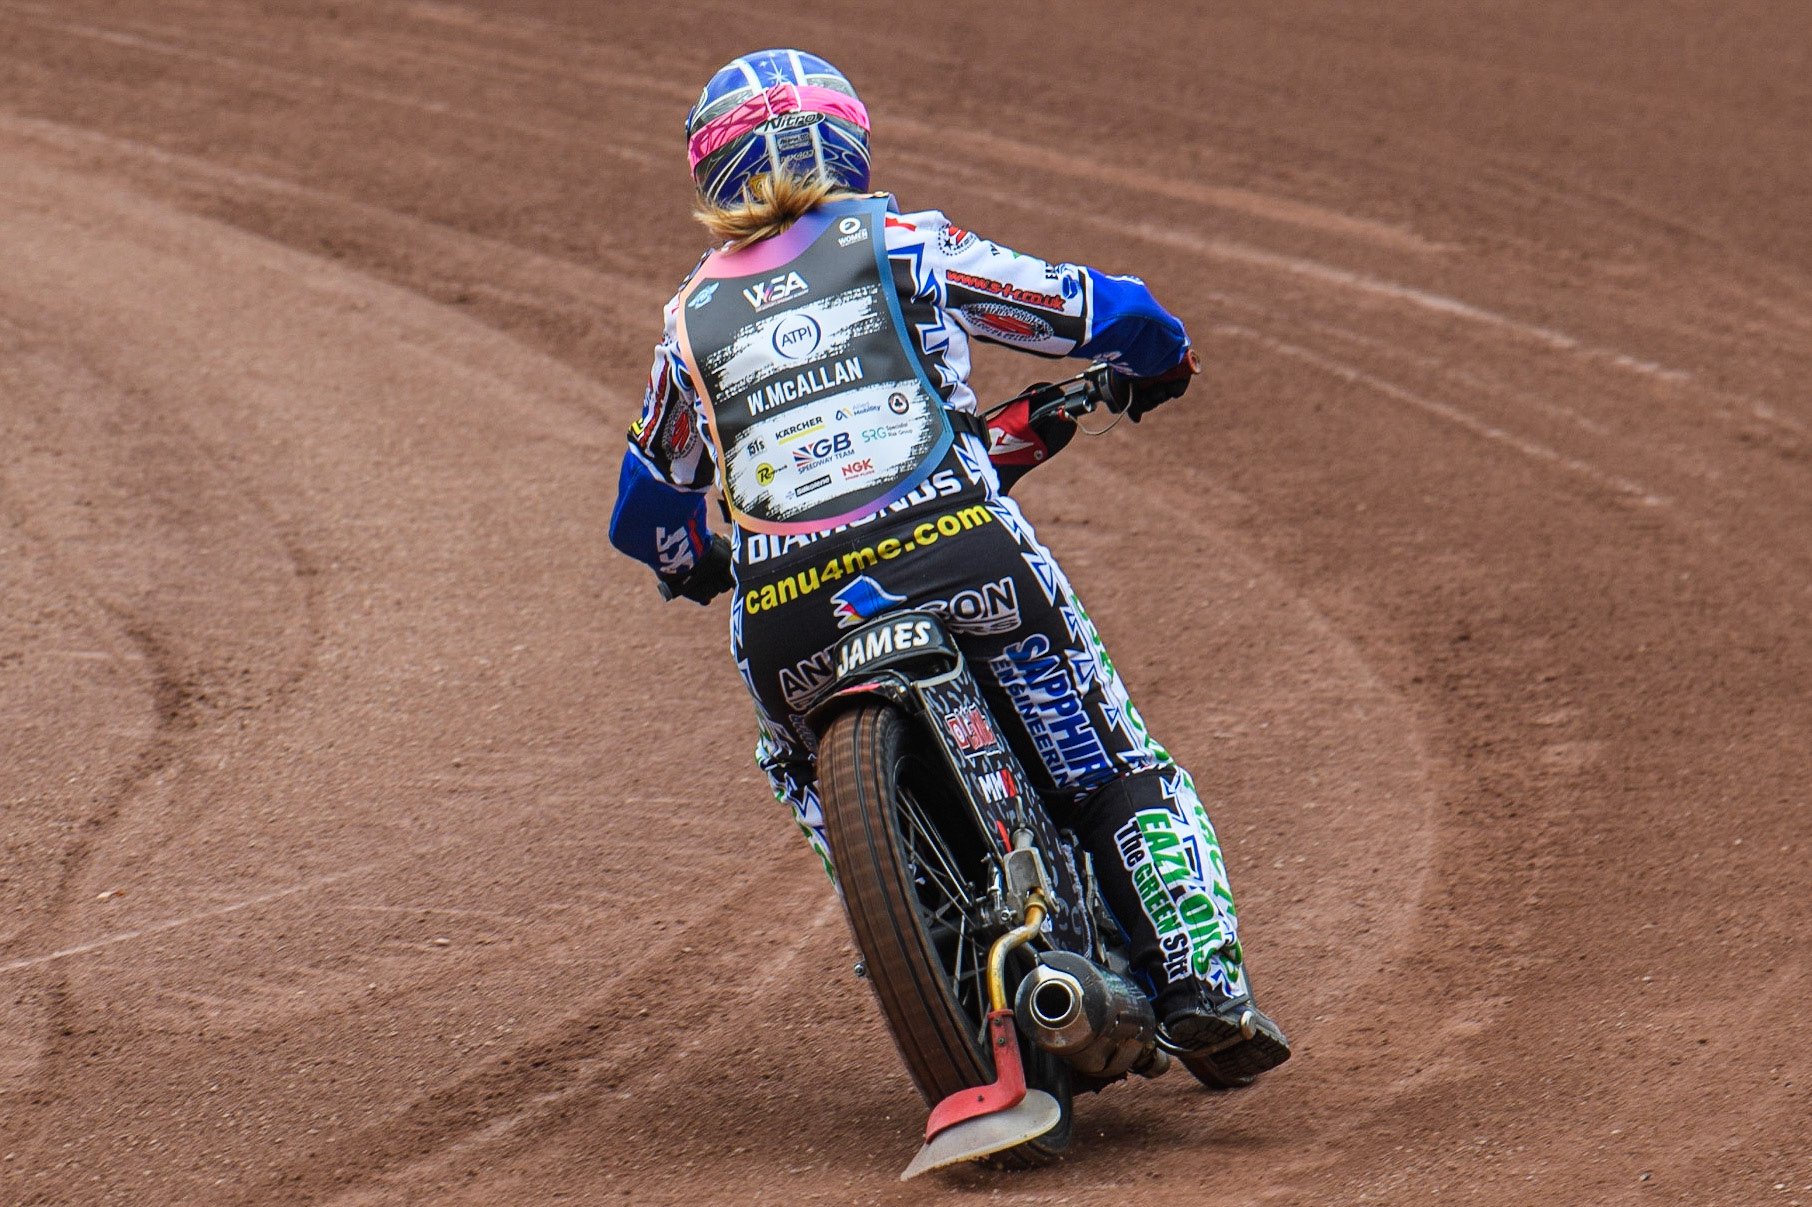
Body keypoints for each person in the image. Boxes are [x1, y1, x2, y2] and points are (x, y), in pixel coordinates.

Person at [608, 49, 1289, 1082]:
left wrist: (703, 562)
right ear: (844, 143)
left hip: (788, 620)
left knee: (793, 759)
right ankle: (1204, 990)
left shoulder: (685, 323)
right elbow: (1100, 312)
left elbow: (643, 511)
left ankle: (912, 925)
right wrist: (1165, 360)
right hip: (964, 556)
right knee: (1106, 765)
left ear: (711, 172)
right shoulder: (903, 244)